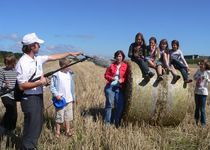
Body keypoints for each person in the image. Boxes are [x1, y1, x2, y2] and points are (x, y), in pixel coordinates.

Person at [15, 33, 81, 150]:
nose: (39, 46)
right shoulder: (23, 63)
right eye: (38, 44)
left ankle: (31, 146)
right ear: (32, 46)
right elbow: (22, 86)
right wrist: (40, 82)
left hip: (37, 96)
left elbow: (54, 56)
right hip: (29, 98)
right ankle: (28, 147)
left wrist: (70, 53)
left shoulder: (37, 59)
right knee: (32, 125)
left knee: (37, 124)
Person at [50, 58, 75, 138]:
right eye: (69, 65)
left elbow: (72, 86)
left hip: (69, 99)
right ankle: (57, 132)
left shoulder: (69, 74)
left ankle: (67, 131)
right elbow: (52, 87)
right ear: (64, 66)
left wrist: (73, 98)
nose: (70, 67)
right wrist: (56, 95)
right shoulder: (56, 75)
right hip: (60, 100)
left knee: (68, 116)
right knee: (59, 116)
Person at [104, 50, 128, 127]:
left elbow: (127, 77)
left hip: (119, 87)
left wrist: (122, 80)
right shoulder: (111, 65)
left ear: (123, 57)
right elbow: (106, 75)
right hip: (110, 86)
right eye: (117, 56)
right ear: (115, 57)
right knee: (109, 105)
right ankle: (107, 123)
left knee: (120, 105)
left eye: (120, 56)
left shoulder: (125, 66)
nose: (118, 58)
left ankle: (116, 122)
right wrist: (112, 78)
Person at [0, 54, 17, 135]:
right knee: (10, 110)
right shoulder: (2, 70)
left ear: (13, 63)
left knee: (14, 114)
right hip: (5, 94)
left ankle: (10, 131)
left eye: (8, 63)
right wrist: (4, 85)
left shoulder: (16, 70)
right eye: (5, 63)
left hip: (14, 95)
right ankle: (2, 128)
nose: (6, 65)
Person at [193, 59, 210, 127]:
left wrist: (206, 79)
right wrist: (198, 77)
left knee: (202, 109)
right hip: (197, 91)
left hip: (203, 93)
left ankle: (203, 124)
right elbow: (194, 77)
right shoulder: (198, 71)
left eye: (202, 64)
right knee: (197, 107)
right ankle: (196, 121)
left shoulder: (208, 72)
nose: (200, 65)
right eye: (200, 64)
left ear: (205, 65)